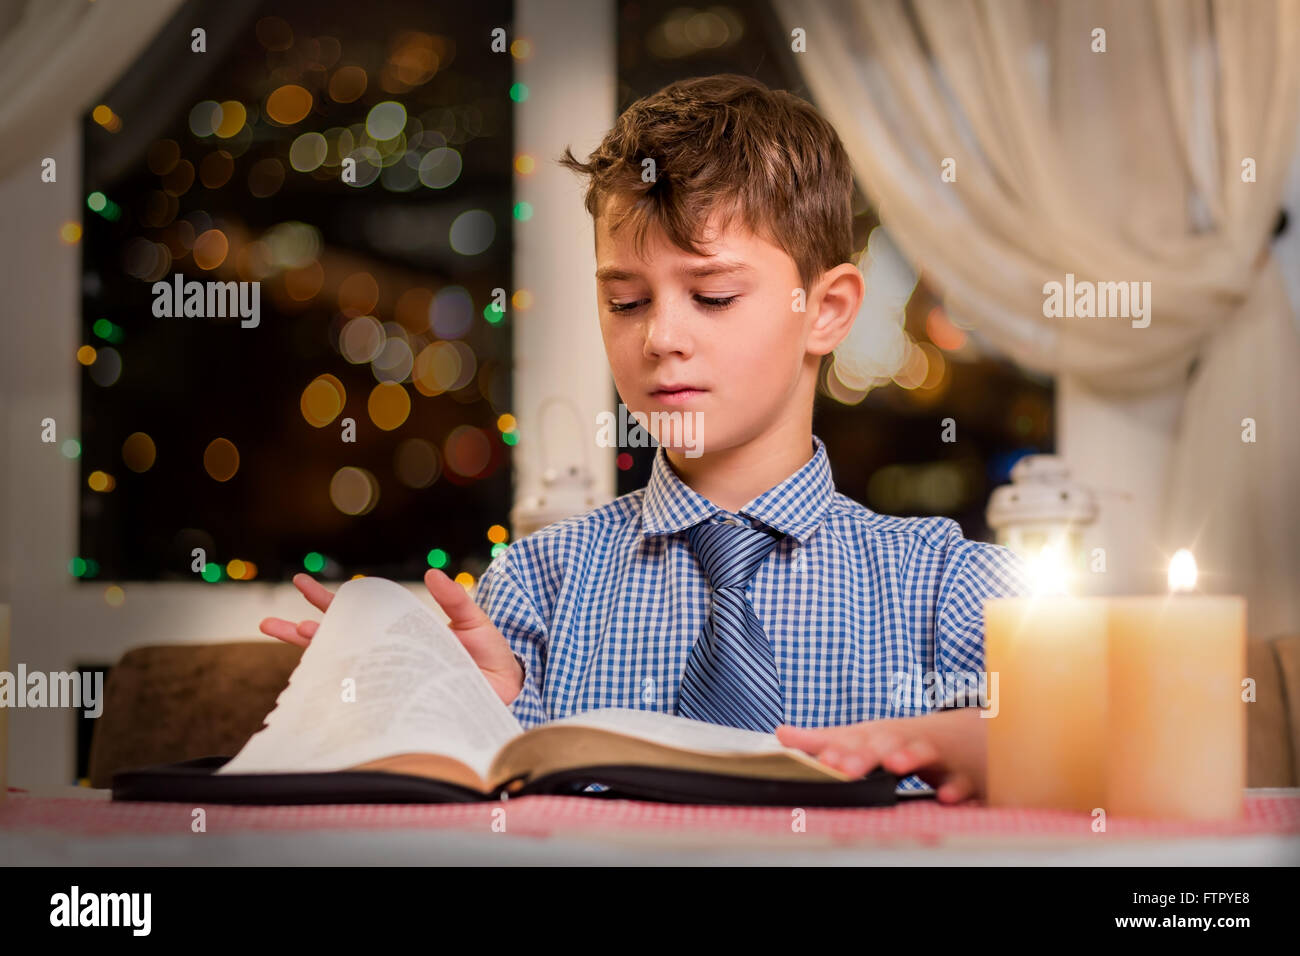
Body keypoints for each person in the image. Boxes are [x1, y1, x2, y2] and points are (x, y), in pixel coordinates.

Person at [262, 74, 1027, 802]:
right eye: (626, 302)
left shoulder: (946, 589)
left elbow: (1054, 757)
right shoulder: (537, 589)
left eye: (713, 296)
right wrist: (453, 708)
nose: (661, 336)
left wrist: (966, 740)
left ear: (825, 311)